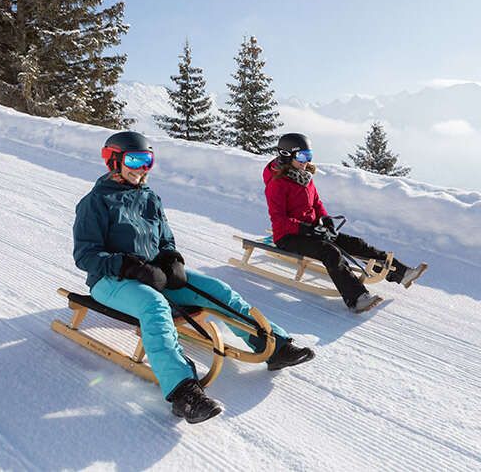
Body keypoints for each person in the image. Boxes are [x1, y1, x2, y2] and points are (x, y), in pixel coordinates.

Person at [73, 131, 314, 424]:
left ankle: (273, 345)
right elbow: (85, 256)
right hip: (110, 280)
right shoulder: (95, 202)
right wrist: (128, 266)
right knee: (154, 306)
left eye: (148, 161)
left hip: (153, 273)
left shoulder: (150, 197)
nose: (141, 168)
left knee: (216, 289)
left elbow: (165, 239)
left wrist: (171, 259)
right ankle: (183, 391)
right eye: (134, 161)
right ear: (113, 161)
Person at [263, 133, 428, 313]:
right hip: (288, 236)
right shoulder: (277, 184)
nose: (306, 161)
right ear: (287, 155)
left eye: (309, 156)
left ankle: (402, 273)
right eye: (302, 156)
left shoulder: (304, 177)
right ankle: (356, 299)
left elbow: (316, 203)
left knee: (356, 244)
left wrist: (326, 221)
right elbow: (279, 219)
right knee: (330, 252)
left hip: (313, 230)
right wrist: (308, 229)